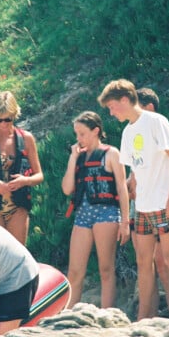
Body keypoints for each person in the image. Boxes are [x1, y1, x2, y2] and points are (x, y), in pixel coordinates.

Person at [97, 79, 169, 320]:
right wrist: (130, 186)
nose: (111, 112)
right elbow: (135, 170)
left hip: (164, 202)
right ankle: (143, 320)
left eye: (112, 106)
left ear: (125, 100)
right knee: (143, 261)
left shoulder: (156, 122)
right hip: (143, 206)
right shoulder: (128, 131)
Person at [61, 111, 130, 309]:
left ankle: (107, 313)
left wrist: (125, 222)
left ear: (96, 131)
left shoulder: (111, 154)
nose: (78, 139)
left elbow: (121, 189)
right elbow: (67, 189)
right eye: (76, 134)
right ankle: (68, 313)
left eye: (82, 134)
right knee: (74, 271)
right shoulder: (78, 157)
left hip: (106, 213)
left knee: (106, 269)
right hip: (83, 214)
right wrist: (73, 158)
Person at [133, 87, 169, 319]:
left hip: (165, 203)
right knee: (150, 262)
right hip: (143, 207)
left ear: (150, 107)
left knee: (167, 259)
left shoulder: (168, 129)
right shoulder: (136, 133)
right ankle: (149, 317)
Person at [0, 91, 44, 245]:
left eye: (7, 119)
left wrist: (25, 180)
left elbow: (39, 175)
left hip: (18, 204)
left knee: (18, 253)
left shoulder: (26, 138)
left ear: (15, 115)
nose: (3, 124)